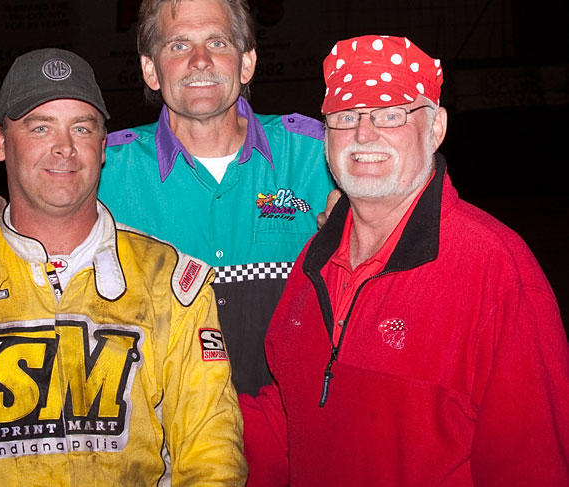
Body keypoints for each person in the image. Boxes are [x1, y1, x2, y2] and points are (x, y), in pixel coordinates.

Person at [0, 0, 335, 395]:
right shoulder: (104, 166)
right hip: (160, 432)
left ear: (246, 63)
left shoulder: (319, 155)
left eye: (217, 42)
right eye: (178, 45)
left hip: (293, 426)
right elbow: (37, 202)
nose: (200, 60)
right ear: (150, 69)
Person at [240, 35, 569, 486]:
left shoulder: (496, 270)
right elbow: (290, 421)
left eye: (390, 114)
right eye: (345, 116)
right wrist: (184, 421)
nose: (363, 133)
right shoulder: (314, 263)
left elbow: (532, 464)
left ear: (436, 129)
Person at [0, 47, 246, 485]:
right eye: (40, 127)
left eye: (82, 128)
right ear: (0, 141)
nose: (64, 147)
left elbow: (212, 456)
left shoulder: (170, 280)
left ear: (102, 145)